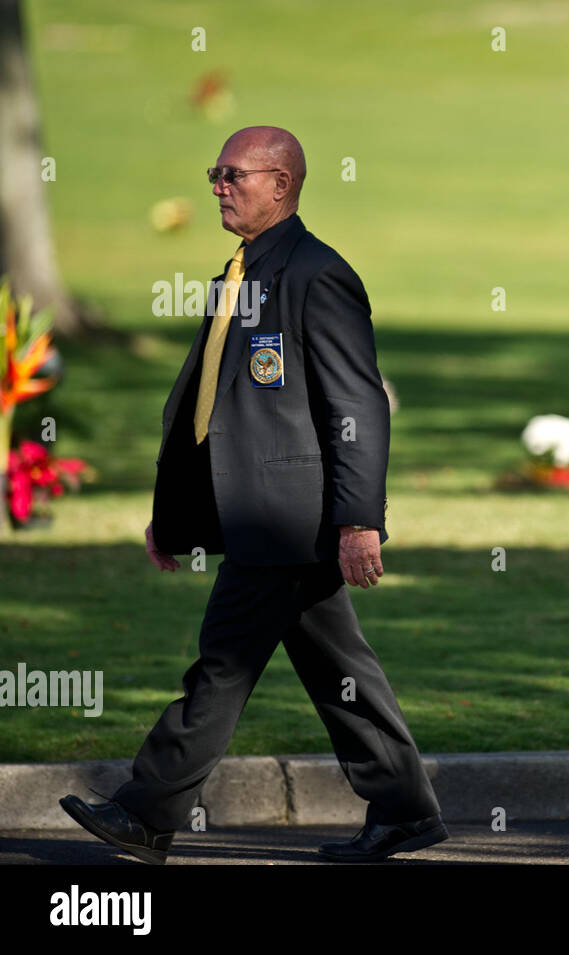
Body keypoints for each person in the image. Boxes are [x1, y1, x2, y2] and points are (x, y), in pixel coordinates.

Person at [59, 126, 447, 865]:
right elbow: (218, 408)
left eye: (233, 174)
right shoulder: (240, 273)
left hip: (293, 518)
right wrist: (174, 516)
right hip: (264, 517)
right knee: (340, 672)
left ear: (281, 183)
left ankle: (146, 810)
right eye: (216, 173)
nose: (218, 186)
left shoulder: (315, 273)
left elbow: (358, 406)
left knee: (222, 666)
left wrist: (362, 518)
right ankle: (404, 807)